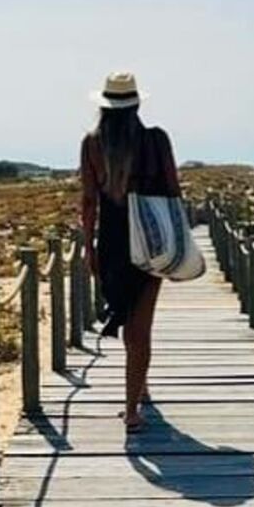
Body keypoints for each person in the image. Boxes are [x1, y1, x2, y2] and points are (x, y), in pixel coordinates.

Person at [79, 71, 181, 433]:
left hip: (113, 242)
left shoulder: (92, 144)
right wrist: (176, 243)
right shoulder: (155, 140)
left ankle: (135, 398)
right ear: (136, 103)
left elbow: (89, 201)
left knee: (127, 320)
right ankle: (133, 406)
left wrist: (88, 246)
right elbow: (173, 191)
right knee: (140, 324)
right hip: (151, 238)